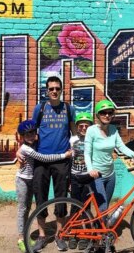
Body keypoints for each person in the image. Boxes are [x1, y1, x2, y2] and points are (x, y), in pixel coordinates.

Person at [17, 76, 76, 252]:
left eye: (57, 88)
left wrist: (77, 151)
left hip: (62, 162)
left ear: (61, 90)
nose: (54, 91)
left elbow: (73, 133)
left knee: (61, 199)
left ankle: (59, 235)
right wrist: (20, 149)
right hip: (40, 161)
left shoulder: (68, 109)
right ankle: (42, 236)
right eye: (51, 89)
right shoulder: (40, 108)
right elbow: (29, 132)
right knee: (40, 198)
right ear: (47, 90)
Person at [15, 120, 72, 253]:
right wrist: (65, 155)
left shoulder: (33, 143)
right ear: (23, 135)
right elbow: (42, 157)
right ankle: (24, 238)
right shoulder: (28, 147)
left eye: (33, 132)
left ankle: (58, 235)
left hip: (33, 178)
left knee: (32, 206)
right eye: (27, 134)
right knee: (26, 207)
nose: (31, 135)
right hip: (24, 179)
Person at [84, 99, 134, 214]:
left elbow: (121, 147)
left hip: (110, 175)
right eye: (103, 112)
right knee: (103, 206)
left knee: (105, 206)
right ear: (98, 115)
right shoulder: (91, 130)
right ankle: (100, 231)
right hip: (97, 175)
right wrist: (90, 170)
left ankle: (99, 227)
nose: (107, 115)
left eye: (110, 112)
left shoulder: (113, 129)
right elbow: (87, 153)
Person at [68, 112, 94, 250]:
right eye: (81, 126)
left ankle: (84, 234)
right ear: (77, 127)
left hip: (87, 177)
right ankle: (73, 233)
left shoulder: (93, 140)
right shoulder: (72, 140)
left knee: (86, 207)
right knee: (74, 207)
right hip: (75, 176)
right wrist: (69, 181)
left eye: (86, 126)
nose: (84, 128)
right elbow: (69, 158)